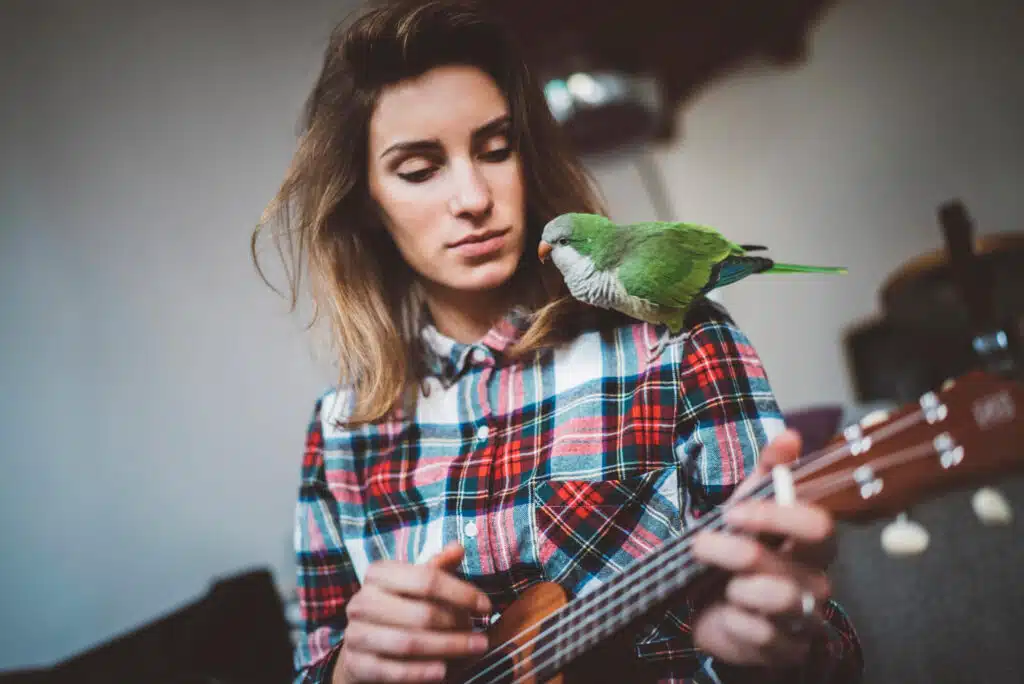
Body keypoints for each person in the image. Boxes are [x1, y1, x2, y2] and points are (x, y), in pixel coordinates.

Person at [253, 1, 864, 682]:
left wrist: (767, 649)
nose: (473, 196)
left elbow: (823, 641)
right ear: (367, 201)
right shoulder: (338, 434)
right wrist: (346, 673)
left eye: (495, 149)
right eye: (419, 168)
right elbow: (312, 667)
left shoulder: (676, 341)